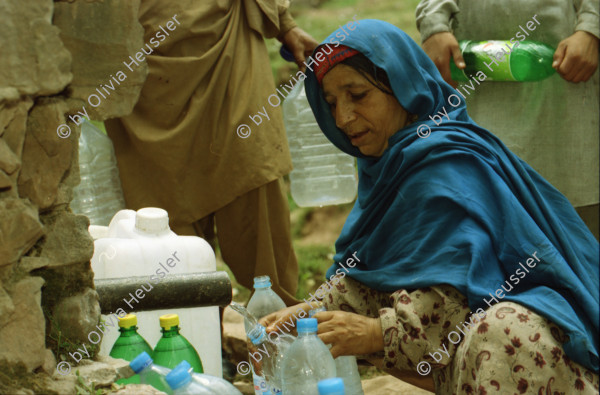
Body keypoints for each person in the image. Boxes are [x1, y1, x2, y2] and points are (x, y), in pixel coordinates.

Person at [260, 20, 599, 394]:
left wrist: (376, 333)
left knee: (505, 327)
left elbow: (452, 298)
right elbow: (375, 273)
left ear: (403, 89)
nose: (343, 118)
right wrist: (308, 311)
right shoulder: (388, 167)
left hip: (538, 356)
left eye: (357, 95)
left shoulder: (443, 167)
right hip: (467, 362)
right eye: (331, 104)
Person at [105, 0, 318, 306]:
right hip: (143, 78)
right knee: (165, 241)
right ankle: (188, 345)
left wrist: (286, 25)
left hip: (231, 55)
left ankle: (280, 339)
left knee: (257, 208)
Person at [415, 0, 599, 240]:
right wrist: (435, 26)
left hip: (566, 103)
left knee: (581, 236)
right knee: (492, 225)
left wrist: (591, 30)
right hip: (482, 100)